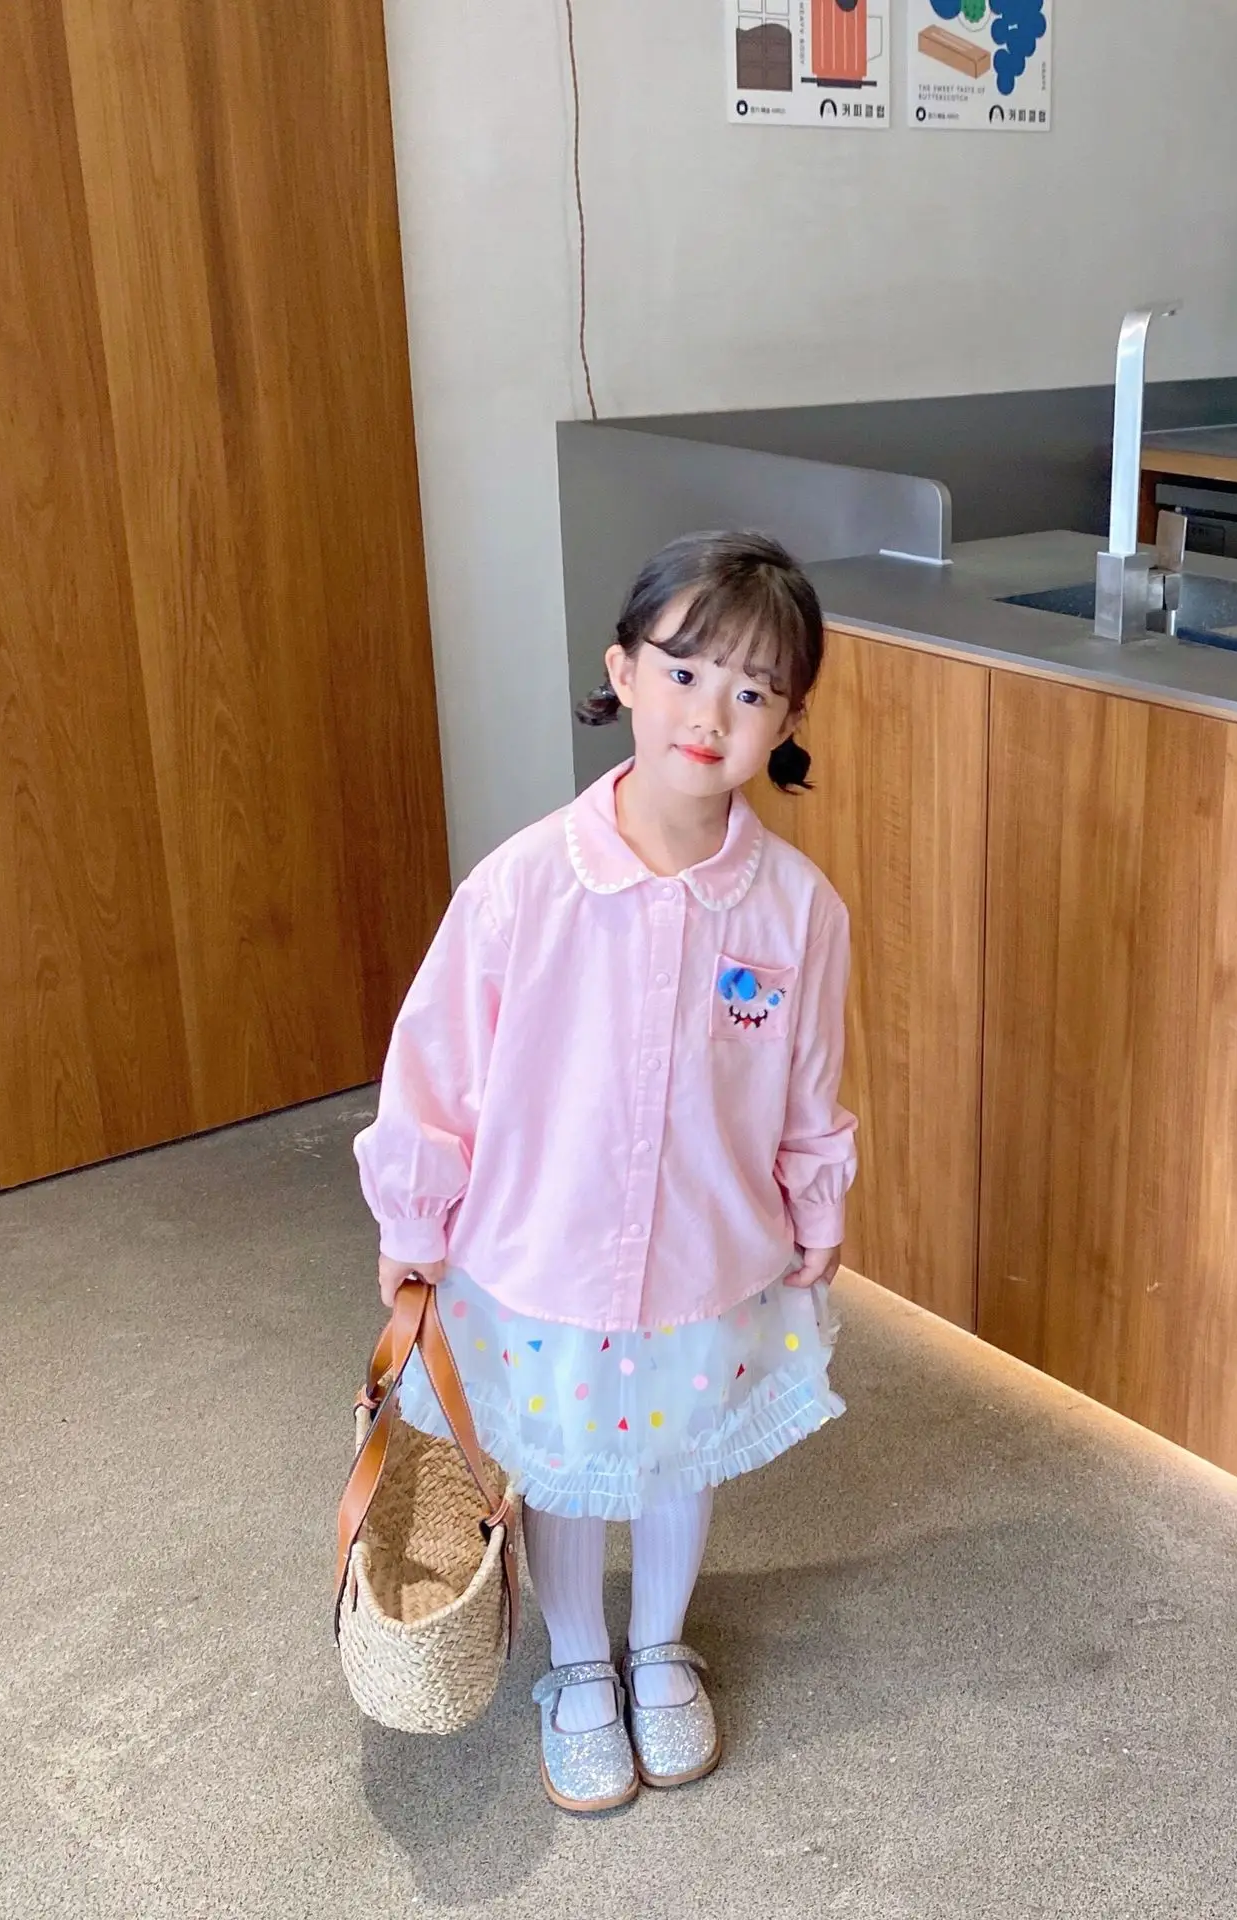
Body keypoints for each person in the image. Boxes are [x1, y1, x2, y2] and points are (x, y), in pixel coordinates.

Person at [353, 531, 856, 1813]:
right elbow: (436, 1065)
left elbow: (808, 1076)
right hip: (545, 1257)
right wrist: (413, 1221)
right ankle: (580, 1662)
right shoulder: (524, 886)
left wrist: (816, 1201)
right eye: (685, 673)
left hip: (707, 1252)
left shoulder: (798, 908)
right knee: (567, 1461)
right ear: (623, 672)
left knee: (681, 1454)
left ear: (789, 720)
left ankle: (660, 1645)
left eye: (752, 691)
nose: (711, 716)